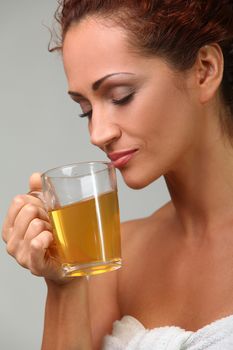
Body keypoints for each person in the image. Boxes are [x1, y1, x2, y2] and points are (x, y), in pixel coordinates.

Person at [2, 0, 233, 349]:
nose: (98, 134)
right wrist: (65, 283)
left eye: (121, 96)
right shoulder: (111, 259)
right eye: (85, 110)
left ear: (204, 69)